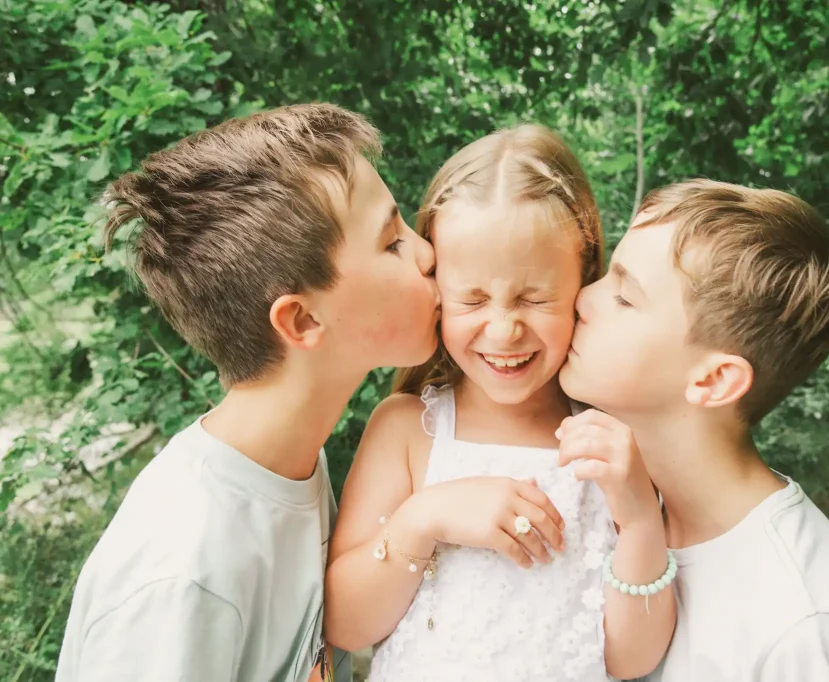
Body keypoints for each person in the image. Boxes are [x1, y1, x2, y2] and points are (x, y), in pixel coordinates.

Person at [55, 103, 440, 682]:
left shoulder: (288, 471)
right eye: (391, 243)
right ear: (303, 321)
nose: (427, 253)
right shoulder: (182, 575)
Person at [323, 124, 675, 682]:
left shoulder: (610, 444)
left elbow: (632, 659)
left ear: (583, 281)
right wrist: (424, 518)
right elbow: (345, 623)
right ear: (437, 286)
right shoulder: (408, 431)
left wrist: (636, 519)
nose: (505, 329)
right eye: (474, 299)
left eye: (535, 298)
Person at [560, 179, 829, 682]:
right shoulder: (611, 502)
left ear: (714, 380)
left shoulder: (803, 630)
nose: (583, 298)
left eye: (625, 297)